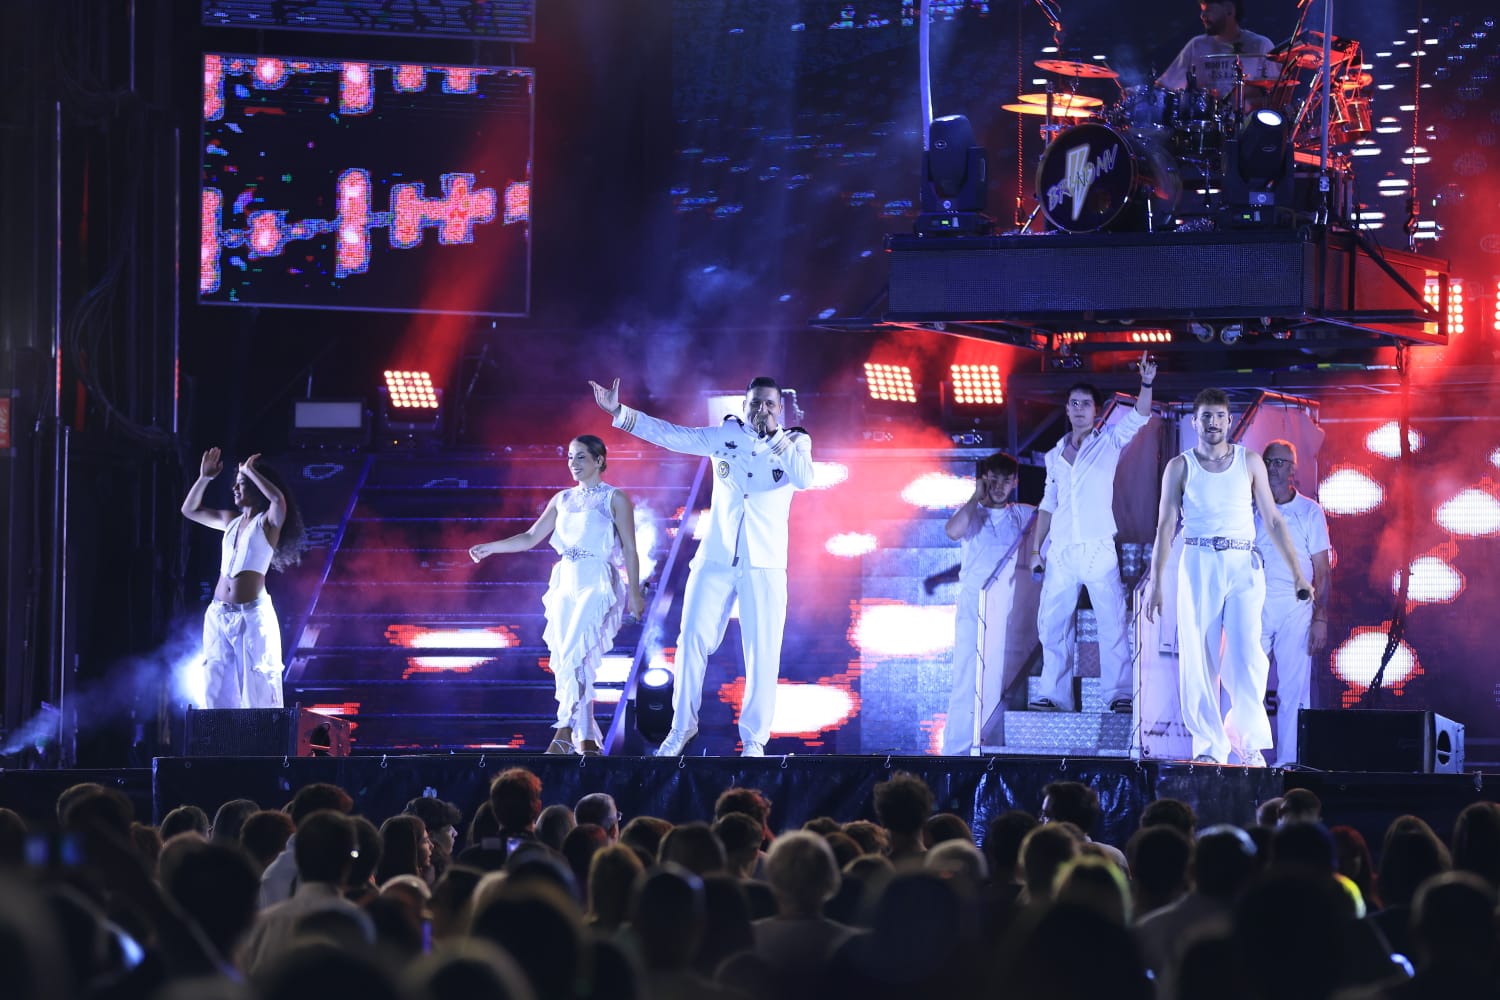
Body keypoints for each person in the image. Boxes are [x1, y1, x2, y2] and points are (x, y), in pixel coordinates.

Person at [590, 376, 813, 757]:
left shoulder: (795, 442)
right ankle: (680, 728)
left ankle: (754, 740)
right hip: (716, 558)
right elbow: (673, 435)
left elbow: (805, 479)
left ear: (781, 409)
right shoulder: (725, 436)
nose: (761, 410)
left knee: (762, 651)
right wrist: (620, 413)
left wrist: (774, 436)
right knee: (691, 638)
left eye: (769, 405)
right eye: (755, 403)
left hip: (765, 564)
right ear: (744, 404)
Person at [1146, 389, 1313, 767]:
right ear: (1195, 422)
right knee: (1200, 656)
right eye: (1206, 416)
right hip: (1199, 560)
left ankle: (1247, 740)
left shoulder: (1249, 461)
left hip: (1242, 562)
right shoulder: (1180, 466)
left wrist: (1298, 574)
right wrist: (1156, 583)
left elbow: (1272, 519)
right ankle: (1208, 744)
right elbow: (1166, 525)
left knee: (1246, 656)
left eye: (1219, 416)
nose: (1213, 423)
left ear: (1229, 420)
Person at [470, 435, 644, 755]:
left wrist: (635, 592)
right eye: (569, 457)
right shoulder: (562, 499)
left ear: (599, 461)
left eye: (580, 457)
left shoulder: (615, 498)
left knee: (576, 650)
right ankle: (587, 738)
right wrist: (490, 548)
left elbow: (631, 549)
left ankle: (563, 731)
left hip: (597, 579)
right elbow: (531, 536)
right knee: (568, 659)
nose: (573, 464)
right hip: (565, 580)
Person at [1030, 354, 1157, 714]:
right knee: (1052, 625)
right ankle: (1053, 695)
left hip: (1098, 548)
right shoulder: (1055, 455)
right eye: (1074, 404)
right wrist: (1037, 549)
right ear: (1067, 410)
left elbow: (1140, 416)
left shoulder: (1109, 442)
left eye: (1086, 404)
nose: (1080, 409)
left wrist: (1145, 384)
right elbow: (1047, 503)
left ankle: (1118, 694)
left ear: (1097, 411)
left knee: (1112, 621)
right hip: (1062, 551)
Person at [181, 448, 305, 709]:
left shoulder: (268, 522)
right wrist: (204, 478)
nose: (235, 490)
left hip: (251, 617)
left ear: (256, 490)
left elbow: (278, 500)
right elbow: (189, 510)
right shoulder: (231, 521)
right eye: (235, 484)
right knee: (216, 689)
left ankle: (260, 746)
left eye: (241, 485)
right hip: (218, 614)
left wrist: (249, 471)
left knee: (256, 690)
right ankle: (220, 746)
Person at [942, 453, 1035, 754]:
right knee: (968, 677)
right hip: (973, 606)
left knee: (1003, 680)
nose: (999, 486)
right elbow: (953, 531)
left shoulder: (1021, 514)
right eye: (993, 479)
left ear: (1015, 482)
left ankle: (992, 747)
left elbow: (1052, 517)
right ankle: (957, 751)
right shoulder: (972, 515)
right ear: (984, 480)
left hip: (1009, 609)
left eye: (1006, 480)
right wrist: (975, 498)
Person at [1255, 440, 1332, 767]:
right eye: (1268, 462)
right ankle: (1243, 757)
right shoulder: (1250, 508)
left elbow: (1323, 569)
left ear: (1293, 469)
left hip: (1296, 606)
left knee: (1293, 689)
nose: (1273, 468)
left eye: (1280, 463)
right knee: (1245, 684)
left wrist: (1320, 618)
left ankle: (1287, 761)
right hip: (1255, 604)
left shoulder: (1309, 511)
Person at [1156, 1, 1276, 100]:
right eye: (1201, 10)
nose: (1202, 15)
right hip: (1204, 125)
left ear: (1229, 9)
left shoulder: (1261, 45)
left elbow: (1279, 91)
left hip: (1250, 125)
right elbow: (1165, 87)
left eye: (1208, 9)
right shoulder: (1197, 45)